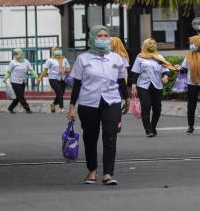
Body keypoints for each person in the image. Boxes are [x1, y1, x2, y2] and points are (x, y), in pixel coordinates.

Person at [67, 25, 130, 185]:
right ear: (92, 38)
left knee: (110, 136)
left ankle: (108, 173)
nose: (103, 38)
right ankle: (92, 171)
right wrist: (72, 107)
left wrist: (127, 99)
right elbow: (77, 85)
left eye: (105, 36)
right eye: (99, 36)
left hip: (112, 101)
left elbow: (121, 80)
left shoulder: (117, 58)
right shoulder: (83, 59)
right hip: (88, 102)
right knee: (90, 137)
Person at [131, 38, 175, 137]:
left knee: (157, 109)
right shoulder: (140, 57)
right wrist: (133, 85)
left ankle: (153, 126)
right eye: (150, 43)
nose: (153, 45)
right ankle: (148, 130)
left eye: (154, 43)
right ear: (146, 45)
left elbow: (165, 69)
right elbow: (135, 72)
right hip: (143, 85)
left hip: (157, 85)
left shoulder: (159, 57)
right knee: (146, 107)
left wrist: (165, 76)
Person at [36, 47, 71, 113]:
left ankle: (53, 104)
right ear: (52, 51)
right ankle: (62, 108)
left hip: (62, 78)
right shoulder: (50, 60)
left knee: (61, 93)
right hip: (53, 78)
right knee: (59, 92)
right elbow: (45, 71)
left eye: (58, 49)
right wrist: (40, 78)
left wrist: (65, 70)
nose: (57, 51)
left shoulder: (64, 59)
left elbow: (69, 69)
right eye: (55, 50)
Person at [3, 48, 38, 114]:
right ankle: (27, 109)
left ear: (21, 54)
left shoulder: (26, 61)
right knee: (20, 96)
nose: (15, 56)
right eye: (14, 54)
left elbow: (31, 70)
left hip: (23, 81)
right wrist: (5, 78)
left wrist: (36, 76)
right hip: (15, 81)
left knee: (18, 97)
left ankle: (10, 108)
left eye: (17, 54)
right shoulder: (12, 62)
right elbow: (8, 71)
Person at [110, 37, 130, 132]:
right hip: (109, 82)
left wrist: (123, 85)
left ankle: (118, 122)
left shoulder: (122, 56)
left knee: (117, 104)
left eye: (111, 42)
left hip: (118, 82)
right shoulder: (106, 55)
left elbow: (124, 73)